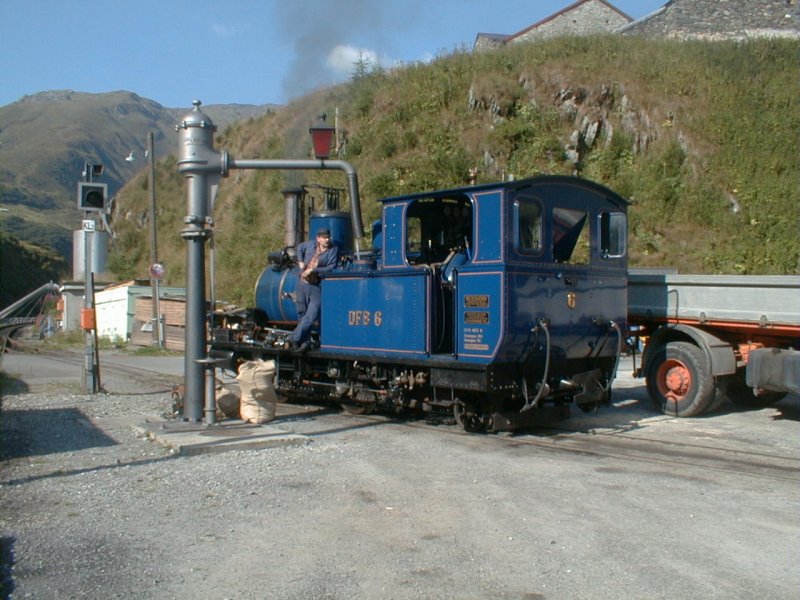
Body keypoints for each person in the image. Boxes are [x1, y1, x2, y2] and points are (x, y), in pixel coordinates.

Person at [288, 228, 339, 351]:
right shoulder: (310, 245)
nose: (327, 240)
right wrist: (301, 264)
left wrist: (313, 270)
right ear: (318, 238)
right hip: (302, 283)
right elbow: (300, 247)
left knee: (311, 316)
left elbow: (331, 267)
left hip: (316, 284)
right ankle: (303, 343)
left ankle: (293, 338)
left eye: (328, 237)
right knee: (302, 314)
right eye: (324, 237)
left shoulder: (333, 250)